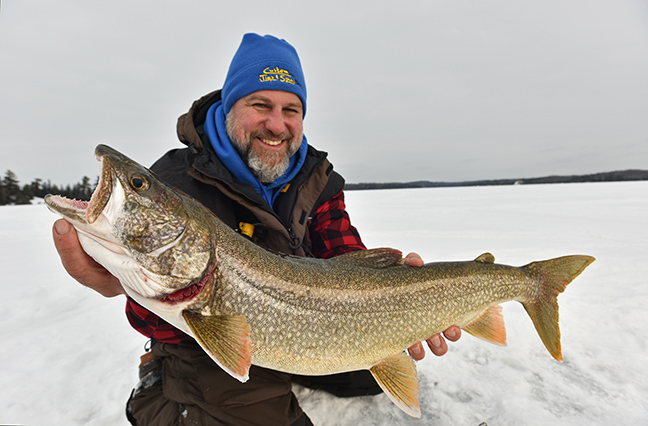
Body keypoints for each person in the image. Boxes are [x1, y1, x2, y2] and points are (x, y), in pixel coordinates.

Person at [52, 33, 461, 426]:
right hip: (197, 342)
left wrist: (399, 299)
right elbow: (160, 314)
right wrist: (124, 283)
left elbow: (342, 255)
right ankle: (159, 389)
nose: (277, 125)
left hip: (303, 318)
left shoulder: (316, 178)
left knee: (366, 372)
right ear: (230, 106)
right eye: (260, 105)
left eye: (291, 110)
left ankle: (296, 364)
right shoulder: (176, 182)